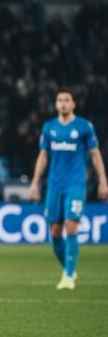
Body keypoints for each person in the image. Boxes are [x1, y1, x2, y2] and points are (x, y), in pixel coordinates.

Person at [28, 89, 107, 290]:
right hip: (55, 185)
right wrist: (35, 182)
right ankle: (68, 267)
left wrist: (103, 181)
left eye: (67, 100)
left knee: (71, 225)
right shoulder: (49, 128)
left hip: (75, 184)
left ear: (73, 105)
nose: (63, 103)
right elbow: (43, 155)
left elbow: (95, 154)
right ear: (56, 105)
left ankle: (69, 276)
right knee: (54, 231)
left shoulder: (84, 127)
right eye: (59, 100)